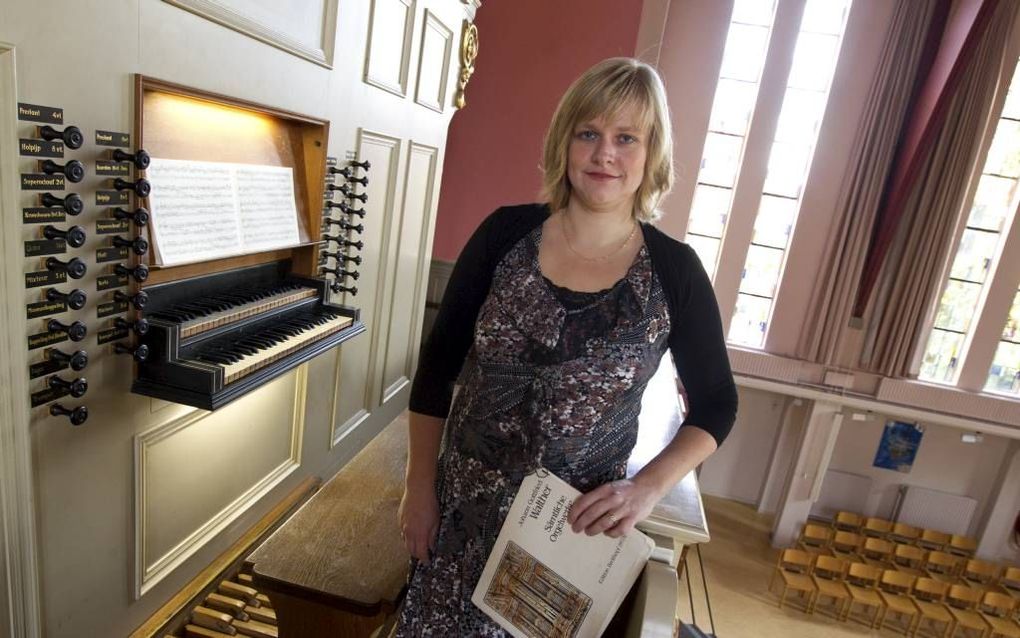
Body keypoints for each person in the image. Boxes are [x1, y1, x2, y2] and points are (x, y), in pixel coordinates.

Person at [394, 57, 738, 636]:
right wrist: (418, 486)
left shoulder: (675, 271)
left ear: (652, 154)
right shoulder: (503, 235)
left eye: (626, 138)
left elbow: (717, 405)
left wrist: (646, 489)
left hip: (567, 530)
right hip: (460, 514)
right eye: (589, 134)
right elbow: (436, 369)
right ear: (565, 143)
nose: (605, 154)